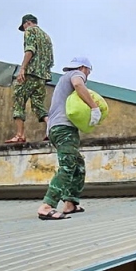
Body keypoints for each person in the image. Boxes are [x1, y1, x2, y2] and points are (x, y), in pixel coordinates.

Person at [37, 57, 101, 220]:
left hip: (58, 128)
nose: (87, 75)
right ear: (83, 67)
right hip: (63, 128)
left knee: (77, 164)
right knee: (68, 165)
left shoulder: (63, 82)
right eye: (89, 71)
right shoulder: (76, 74)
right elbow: (79, 84)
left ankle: (70, 203)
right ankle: (47, 206)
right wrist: (94, 107)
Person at [6, 14, 55, 144]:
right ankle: (51, 129)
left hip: (31, 73)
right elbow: (50, 59)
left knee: (18, 99)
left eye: (23, 26)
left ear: (27, 23)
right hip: (42, 76)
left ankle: (19, 135)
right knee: (38, 104)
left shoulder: (30, 31)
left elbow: (30, 50)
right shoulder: (47, 37)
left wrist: (23, 68)